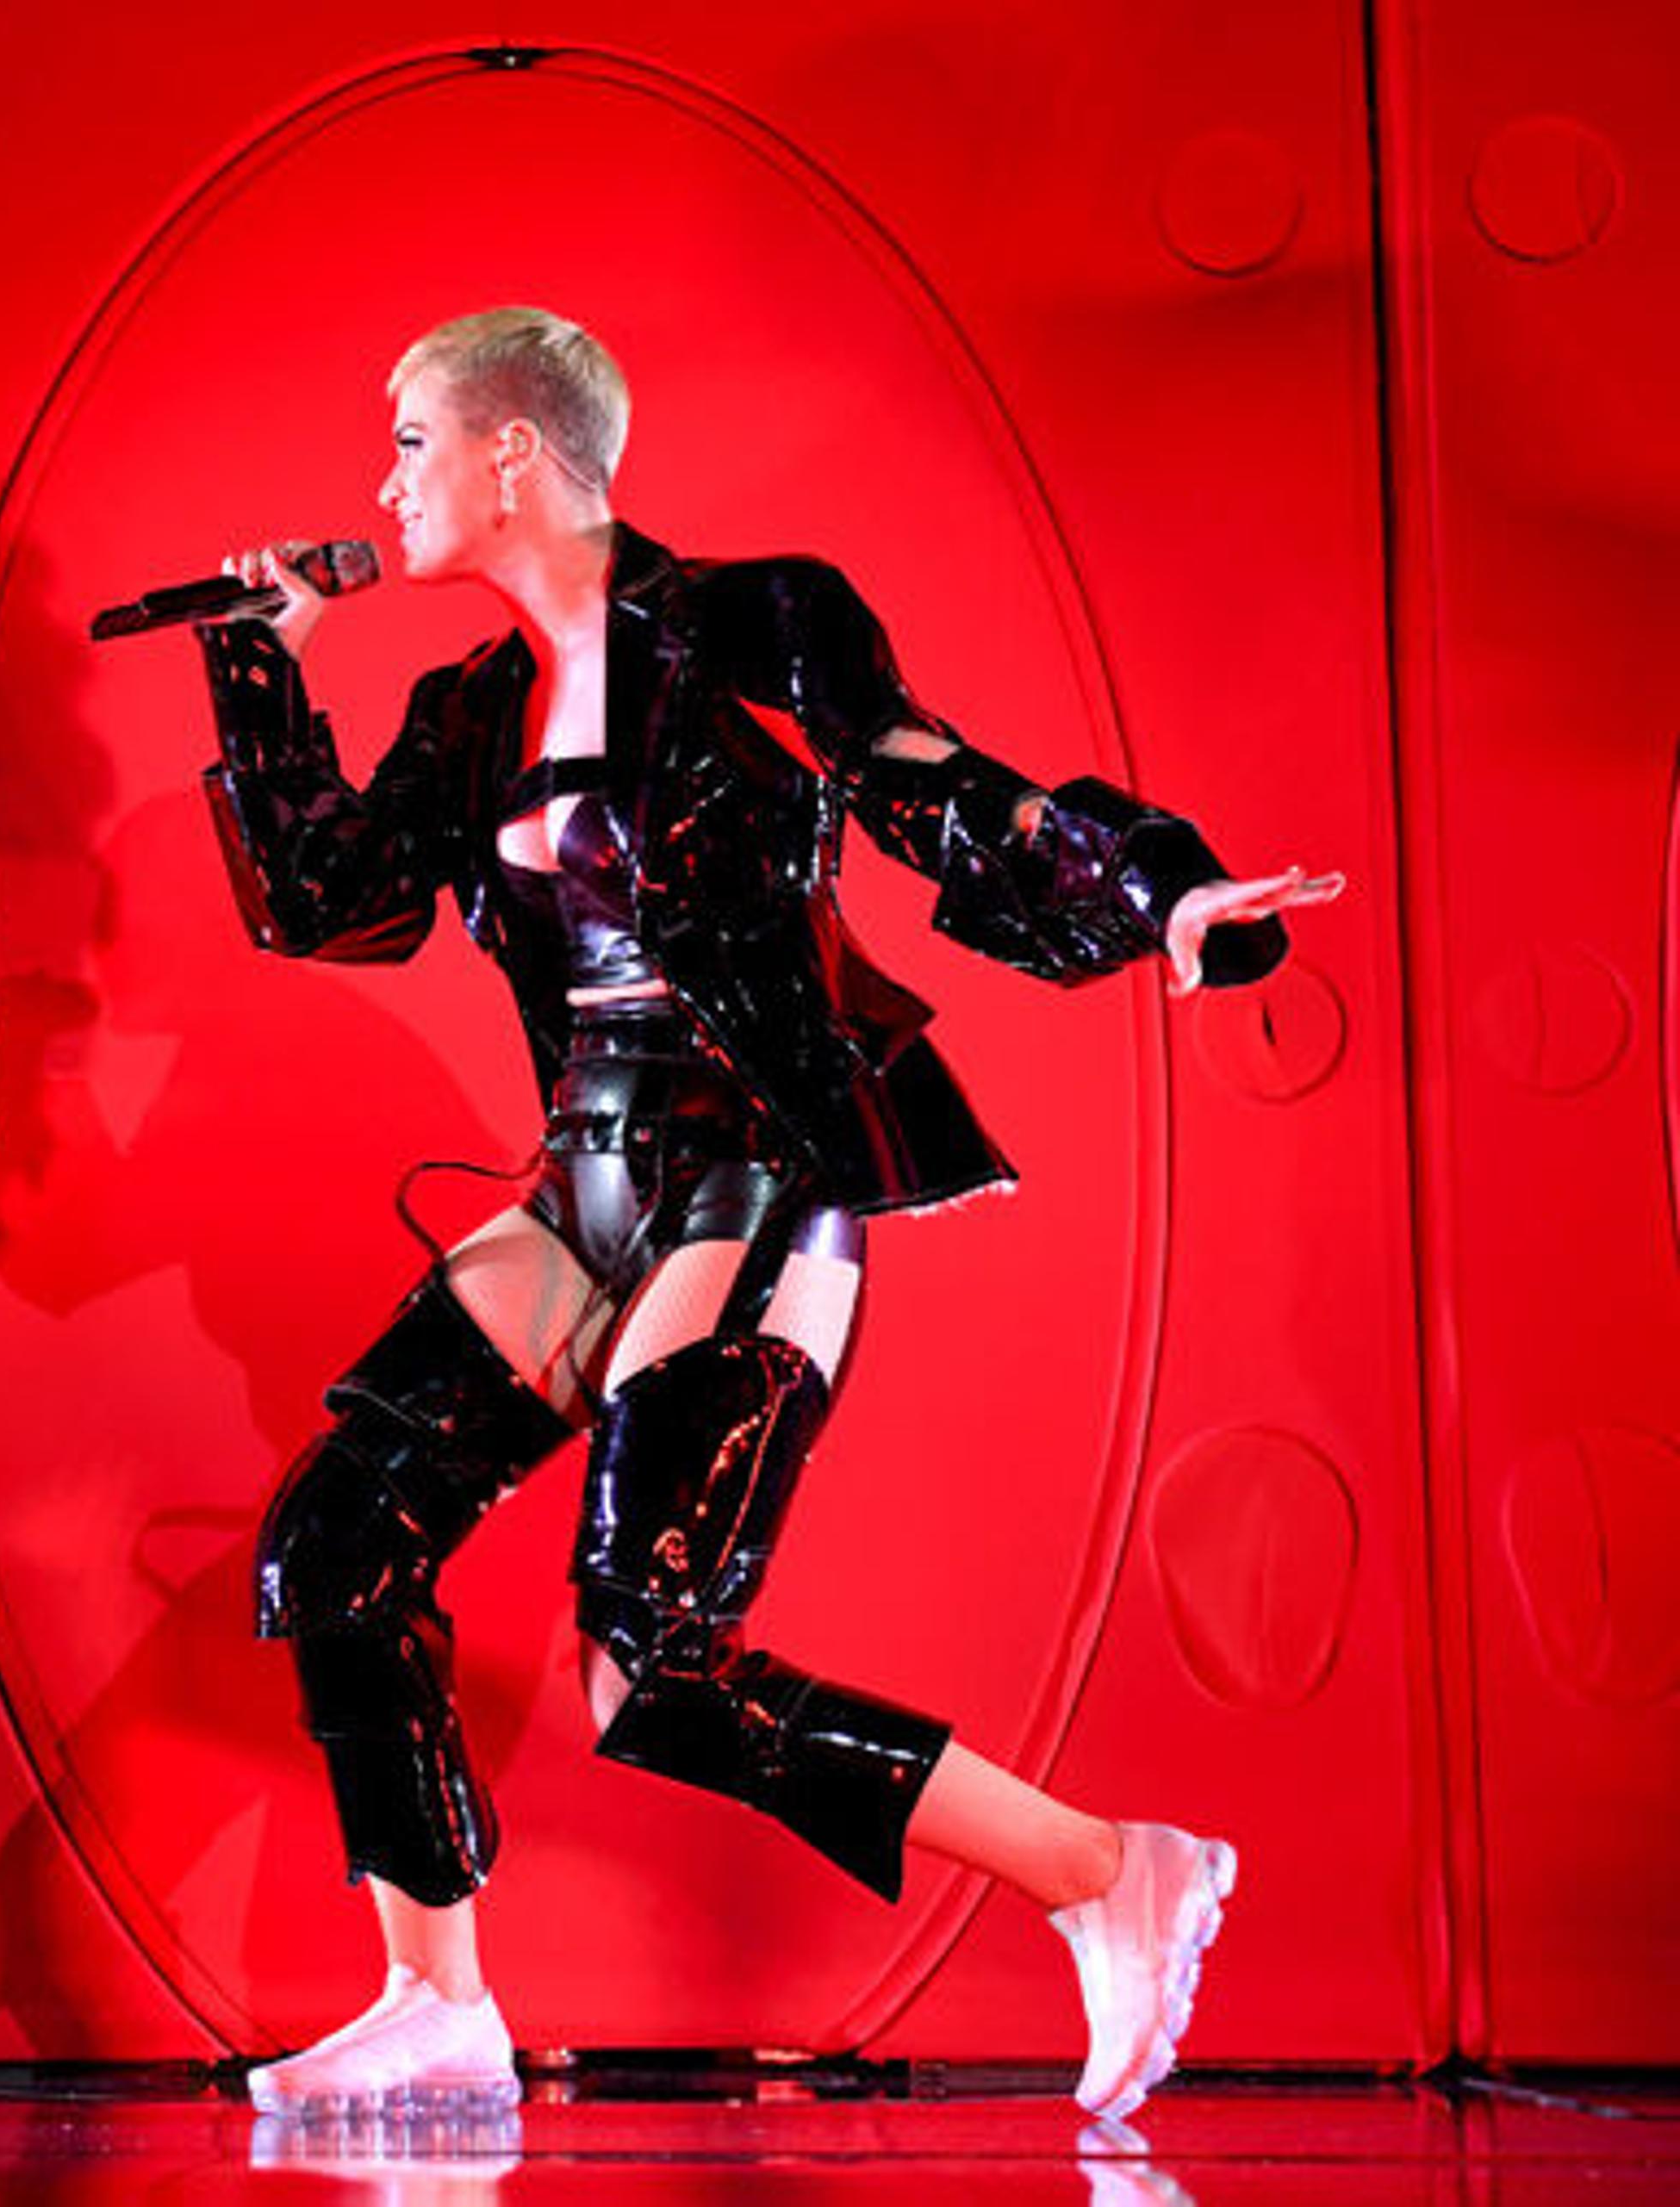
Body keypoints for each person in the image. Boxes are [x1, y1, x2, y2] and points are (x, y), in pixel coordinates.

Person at [190, 306, 1341, 2123]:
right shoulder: (465, 710)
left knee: (642, 1658)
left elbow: (936, 788)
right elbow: (329, 906)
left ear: (510, 452)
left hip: (756, 1162)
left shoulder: (754, 621)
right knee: (337, 1536)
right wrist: (261, 668)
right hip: (583, 1173)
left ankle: (1113, 1871)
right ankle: (436, 2002)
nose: (381, 484)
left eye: (407, 443)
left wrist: (1168, 898)